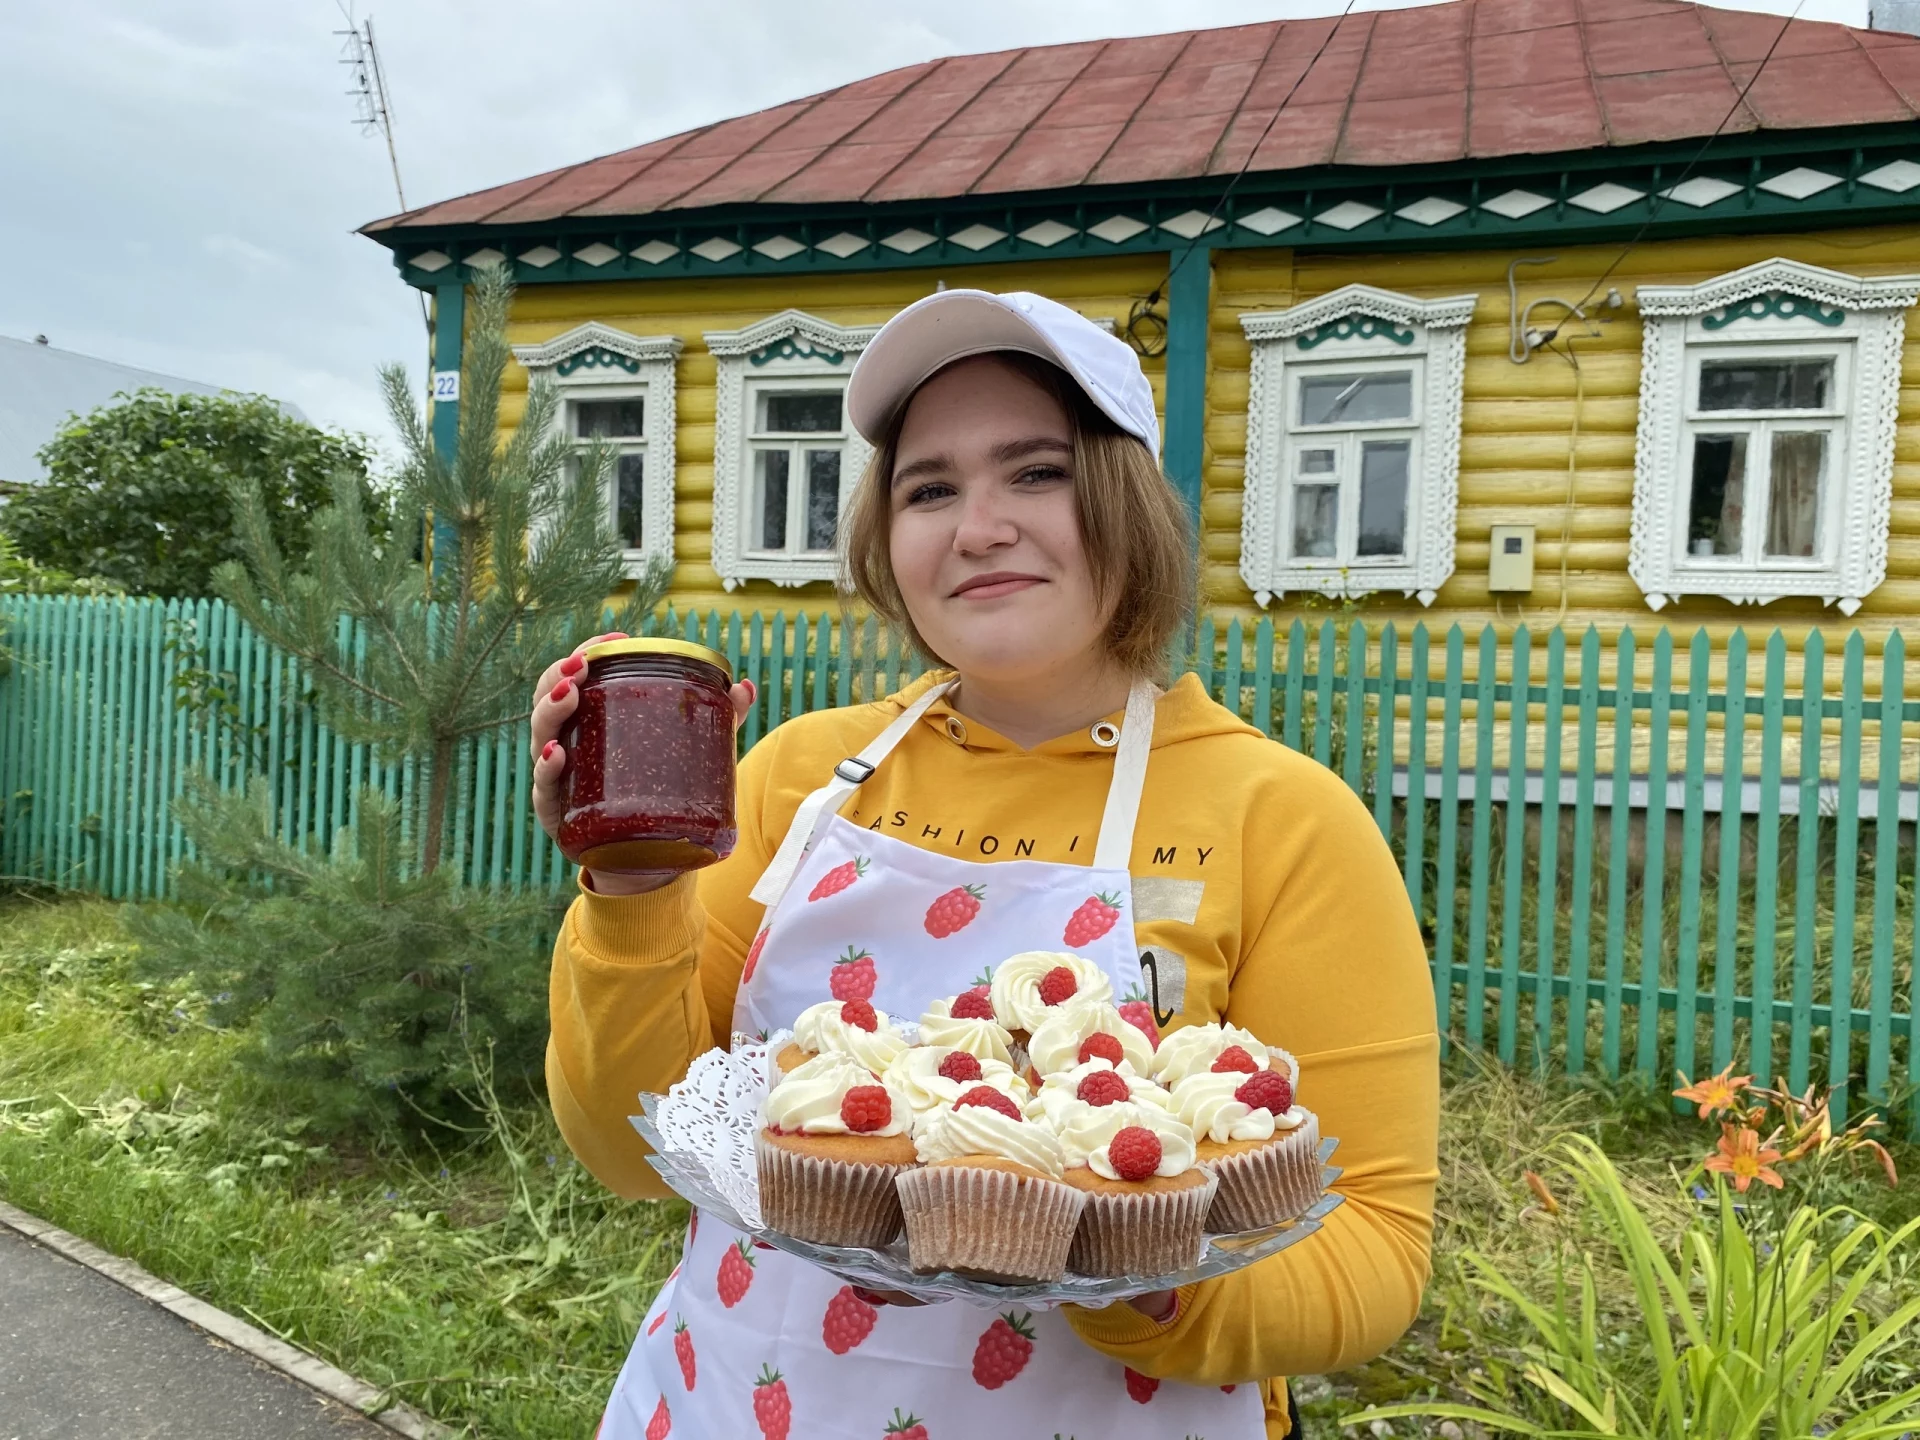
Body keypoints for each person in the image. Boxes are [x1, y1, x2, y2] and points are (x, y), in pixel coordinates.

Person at [529, 289, 1438, 1440]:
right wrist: (632, 886)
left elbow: (1373, 1247)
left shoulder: (1282, 818)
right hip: (735, 1406)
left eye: (1037, 472)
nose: (978, 528)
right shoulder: (799, 775)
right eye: (930, 489)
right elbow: (632, 1152)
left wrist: (1127, 1270)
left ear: (1125, 499)